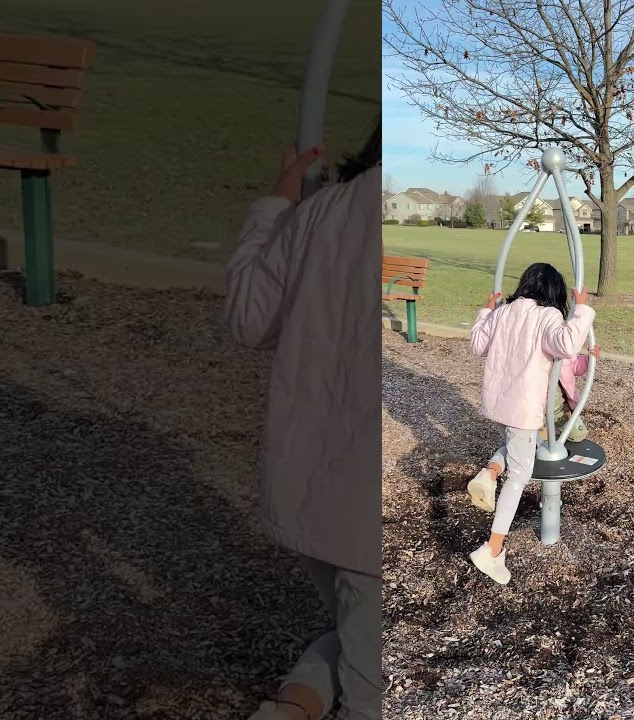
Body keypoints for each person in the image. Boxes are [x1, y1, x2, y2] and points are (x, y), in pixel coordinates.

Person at [225, 126, 381, 720]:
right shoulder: (340, 215)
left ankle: (290, 708)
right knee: (371, 675)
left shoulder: (320, 214)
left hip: (310, 499)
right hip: (368, 517)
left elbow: (247, 318)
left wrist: (275, 208)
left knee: (356, 630)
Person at [464, 263, 596, 584]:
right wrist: (582, 310)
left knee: (515, 448)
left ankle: (489, 471)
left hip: (497, 406)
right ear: (554, 293)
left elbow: (477, 345)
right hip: (521, 411)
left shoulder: (503, 313)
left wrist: (485, 311)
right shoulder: (547, 316)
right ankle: (492, 550)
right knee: (519, 475)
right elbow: (566, 346)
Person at [538, 345, 602, 444]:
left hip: (560, 408)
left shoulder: (562, 348)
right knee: (542, 443)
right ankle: (544, 430)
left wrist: (589, 360)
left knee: (578, 435)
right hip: (538, 411)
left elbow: (575, 366)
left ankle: (557, 430)